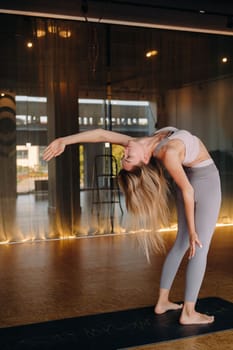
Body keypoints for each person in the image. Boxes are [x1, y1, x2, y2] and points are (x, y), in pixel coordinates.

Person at [43, 126, 221, 325]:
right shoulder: (167, 153)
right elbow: (188, 191)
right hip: (206, 181)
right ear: (144, 160)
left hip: (189, 177)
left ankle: (163, 302)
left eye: (124, 157)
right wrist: (193, 231)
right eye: (128, 158)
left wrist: (64, 140)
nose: (124, 152)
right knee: (199, 246)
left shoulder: (137, 144)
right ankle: (189, 312)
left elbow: (101, 134)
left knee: (181, 243)